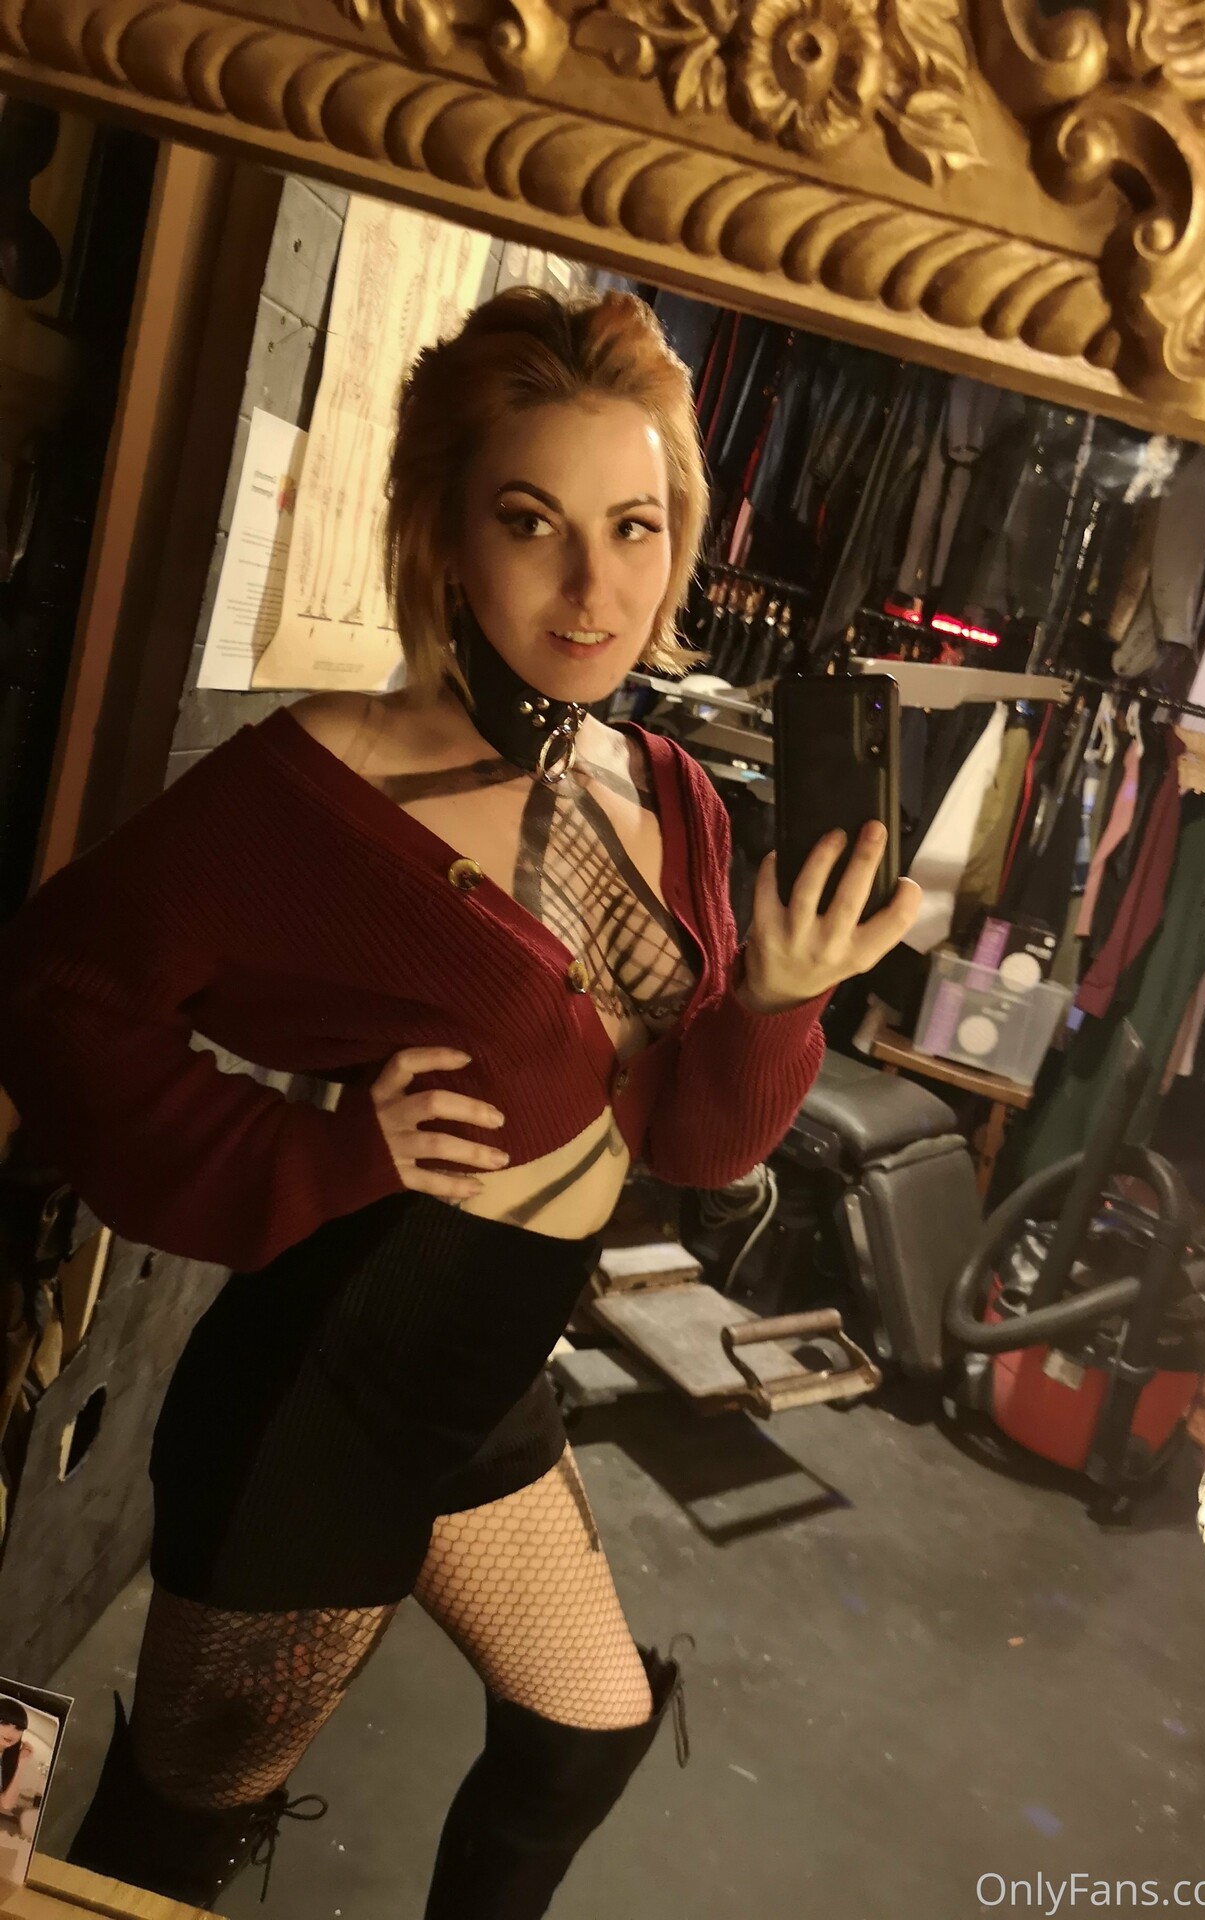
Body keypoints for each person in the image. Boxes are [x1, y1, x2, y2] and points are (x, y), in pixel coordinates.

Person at [0, 288, 920, 1916]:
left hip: (483, 1387)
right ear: (444, 534)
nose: (593, 589)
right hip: (323, 1396)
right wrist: (306, 1149)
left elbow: (696, 1142)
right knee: (178, 1835)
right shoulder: (323, 782)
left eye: (634, 527)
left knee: (585, 1729)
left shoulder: (678, 796)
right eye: (530, 522)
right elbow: (57, 991)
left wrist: (777, 1003)